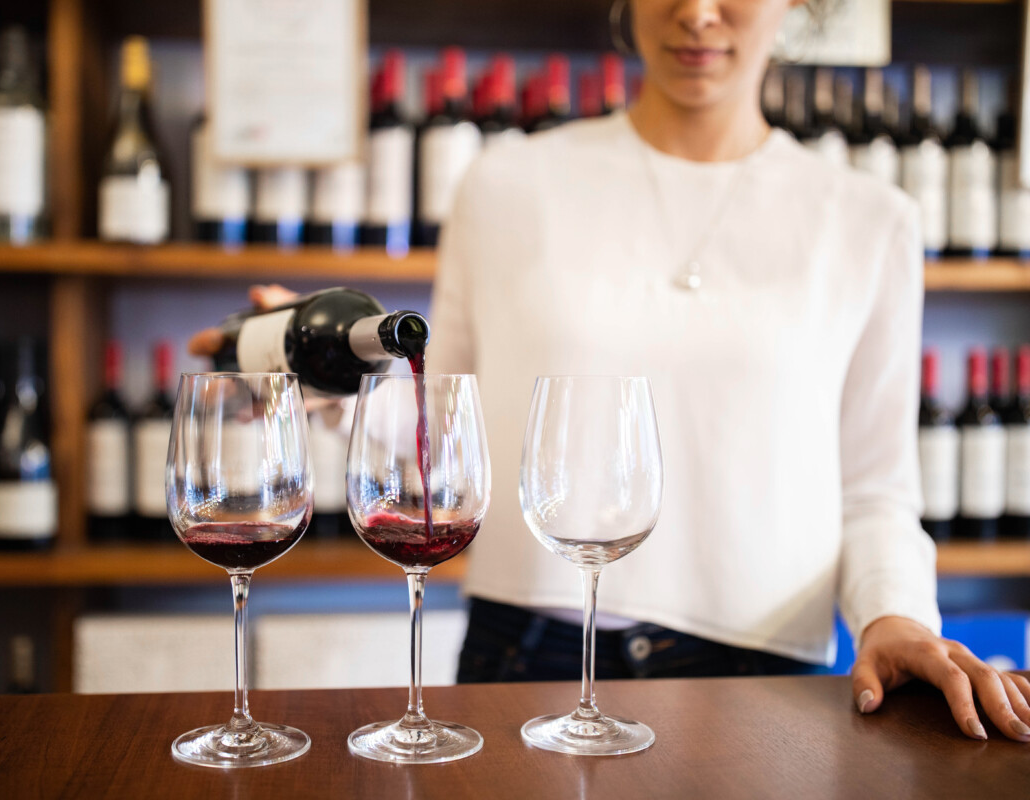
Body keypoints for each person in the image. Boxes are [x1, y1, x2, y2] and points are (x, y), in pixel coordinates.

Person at [191, 0, 1030, 743]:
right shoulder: (505, 183)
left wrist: (897, 617)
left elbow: (877, 489)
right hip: (527, 653)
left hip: (761, 673)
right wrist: (328, 383)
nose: (698, 13)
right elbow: (441, 432)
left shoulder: (873, 222)